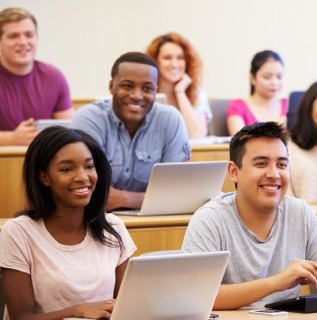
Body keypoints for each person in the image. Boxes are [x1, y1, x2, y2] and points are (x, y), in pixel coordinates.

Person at [181, 122, 317, 309]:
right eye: (261, 164)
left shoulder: (300, 212)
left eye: (281, 164)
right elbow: (197, 296)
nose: (274, 174)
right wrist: (277, 282)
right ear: (234, 172)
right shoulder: (210, 218)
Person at [0, 126, 136, 320]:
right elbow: (21, 317)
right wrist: (78, 311)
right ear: (44, 177)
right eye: (66, 169)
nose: (83, 177)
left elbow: (126, 306)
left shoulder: (113, 227)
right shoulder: (18, 232)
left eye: (89, 166)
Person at [72, 52, 190, 211]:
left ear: (156, 90)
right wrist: (153, 198)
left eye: (147, 88)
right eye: (127, 86)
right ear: (111, 86)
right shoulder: (89, 118)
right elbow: (87, 191)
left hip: (154, 221)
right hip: (95, 221)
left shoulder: (171, 120)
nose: (137, 96)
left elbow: (179, 192)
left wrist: (123, 199)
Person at [0, 7, 74, 146]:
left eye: (29, 35)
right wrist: (11, 139)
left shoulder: (54, 77)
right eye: (13, 36)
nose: (23, 42)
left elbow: (71, 132)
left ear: (37, 38)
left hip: (42, 162)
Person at [146, 32, 212, 139]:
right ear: (155, 61)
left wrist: (180, 92)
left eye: (180, 57)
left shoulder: (197, 94)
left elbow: (197, 135)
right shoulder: (145, 94)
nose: (174, 64)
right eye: (167, 58)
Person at [226, 50, 287, 136]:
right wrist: (275, 126)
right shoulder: (237, 105)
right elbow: (239, 142)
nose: (274, 82)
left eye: (279, 77)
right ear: (253, 78)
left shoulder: (289, 104)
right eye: (267, 77)